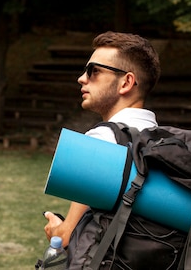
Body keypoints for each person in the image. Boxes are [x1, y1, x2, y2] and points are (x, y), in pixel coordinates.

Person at [43, 31, 161, 267]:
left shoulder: (101, 140)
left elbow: (66, 235)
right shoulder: (159, 140)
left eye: (93, 71)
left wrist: (56, 229)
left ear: (126, 82)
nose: (82, 78)